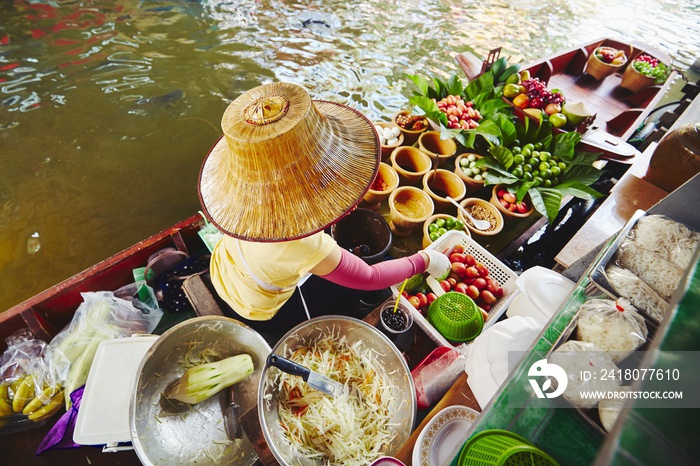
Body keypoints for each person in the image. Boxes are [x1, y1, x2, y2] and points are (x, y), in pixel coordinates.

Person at [197, 82, 449, 342]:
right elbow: (370, 276)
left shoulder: (244, 198)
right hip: (257, 309)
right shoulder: (302, 243)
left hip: (224, 272)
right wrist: (425, 261)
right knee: (351, 290)